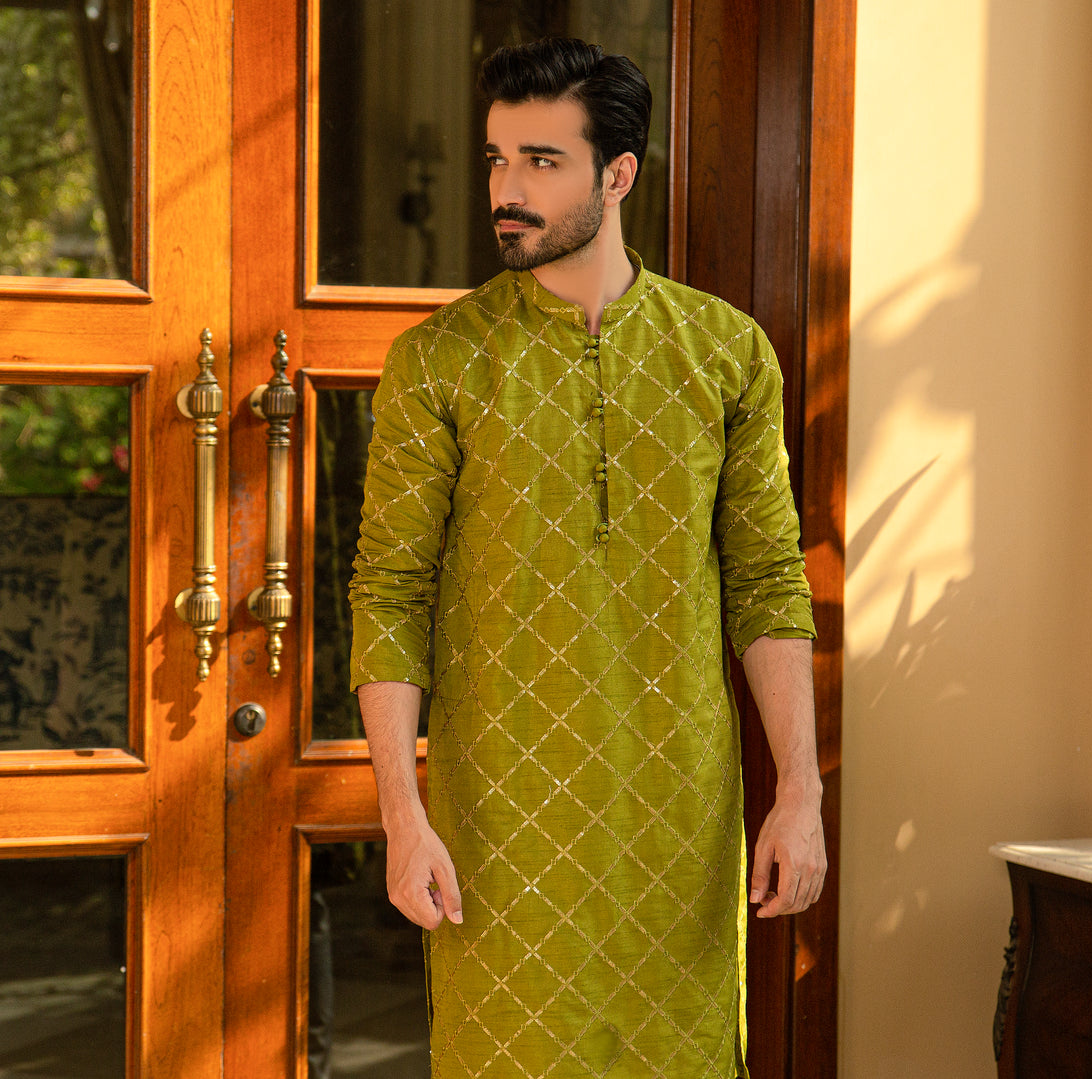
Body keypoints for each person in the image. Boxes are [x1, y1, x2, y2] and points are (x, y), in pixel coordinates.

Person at [348, 36, 823, 1079]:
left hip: (679, 822)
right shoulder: (440, 361)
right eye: (496, 158)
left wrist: (799, 792)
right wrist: (401, 813)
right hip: (499, 827)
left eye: (541, 160)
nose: (506, 190)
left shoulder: (726, 352)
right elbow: (389, 591)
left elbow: (766, 585)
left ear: (618, 176)